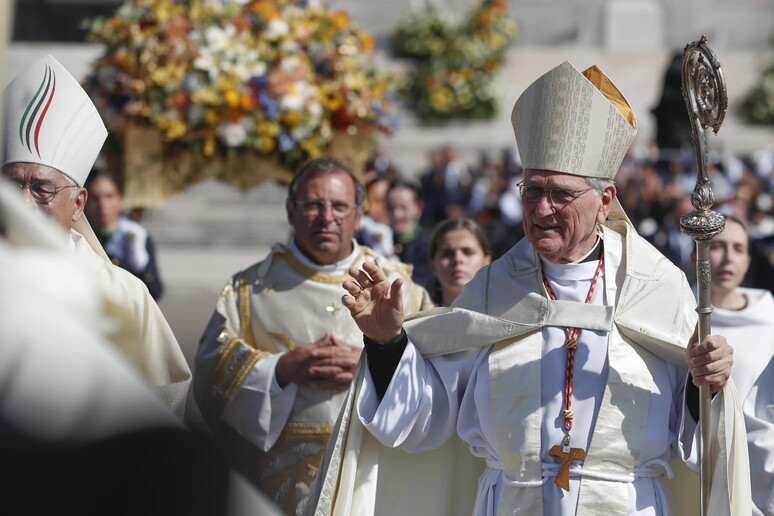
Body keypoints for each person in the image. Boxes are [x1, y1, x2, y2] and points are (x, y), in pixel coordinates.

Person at [307, 61, 750, 515]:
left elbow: (698, 440)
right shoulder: (494, 290)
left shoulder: (655, 288)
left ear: (604, 202)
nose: (542, 209)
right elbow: (423, 418)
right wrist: (386, 343)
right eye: (532, 190)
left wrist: (708, 385)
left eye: (561, 194)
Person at [194, 157, 433, 514]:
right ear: (291, 212)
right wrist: (278, 370)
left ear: (359, 213)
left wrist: (378, 361)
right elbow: (209, 373)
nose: (326, 217)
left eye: (339, 206)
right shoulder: (249, 289)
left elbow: (436, 377)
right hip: (272, 482)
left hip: (370, 473)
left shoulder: (399, 286)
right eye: (312, 205)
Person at [1, 55, 191, 417]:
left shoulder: (124, 296)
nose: (23, 202)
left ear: (78, 204)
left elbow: (164, 402)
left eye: (41, 188)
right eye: (11, 186)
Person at [707, 216, 774, 515]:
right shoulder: (678, 314)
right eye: (717, 247)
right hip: (704, 465)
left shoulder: (770, 316)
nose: (727, 258)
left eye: (737, 248)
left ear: (747, 260)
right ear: (698, 254)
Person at [85, 169, 164, 300]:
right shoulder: (79, 236)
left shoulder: (135, 235)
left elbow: (155, 292)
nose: (102, 204)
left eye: (109, 196)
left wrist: (141, 268)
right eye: (95, 198)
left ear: (120, 199)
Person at [429, 217, 492, 306]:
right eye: (447, 253)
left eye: (468, 252)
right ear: (433, 265)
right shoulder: (417, 317)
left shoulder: (505, 314)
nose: (458, 259)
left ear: (486, 262)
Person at [386, 179, 435, 291]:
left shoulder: (427, 244)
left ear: (418, 207)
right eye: (391, 207)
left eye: (403, 207)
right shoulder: (381, 239)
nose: (396, 214)